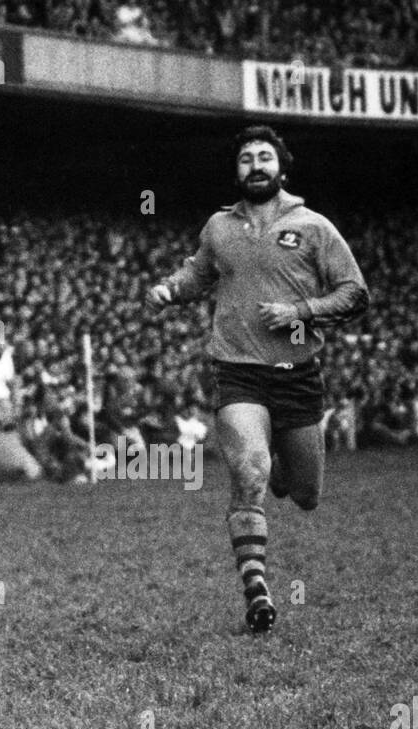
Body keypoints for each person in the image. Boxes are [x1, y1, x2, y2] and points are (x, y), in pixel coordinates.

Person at [148, 124, 370, 632]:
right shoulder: (219, 227)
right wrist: (168, 290)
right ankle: (257, 591)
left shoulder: (314, 226)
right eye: (246, 158)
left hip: (297, 375)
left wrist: (303, 310)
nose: (255, 165)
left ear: (282, 167)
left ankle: (284, 469)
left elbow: (355, 293)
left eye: (264, 156)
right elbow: (197, 274)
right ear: (237, 171)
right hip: (237, 371)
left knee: (307, 494)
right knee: (249, 473)